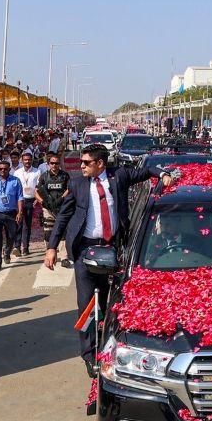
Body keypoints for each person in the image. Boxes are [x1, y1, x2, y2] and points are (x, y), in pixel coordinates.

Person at [43, 144, 176, 374]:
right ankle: (89, 354)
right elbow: (64, 215)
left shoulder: (119, 176)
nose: (81, 166)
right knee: (86, 304)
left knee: (109, 302)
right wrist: (52, 247)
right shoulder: (77, 183)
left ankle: (107, 343)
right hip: (85, 249)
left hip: (113, 249)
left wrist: (163, 175)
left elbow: (147, 170)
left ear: (100, 164)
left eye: (86, 163)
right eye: (81, 162)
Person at [37, 152, 71, 267]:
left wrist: (62, 198)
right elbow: (36, 191)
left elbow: (69, 189)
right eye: (52, 163)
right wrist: (42, 201)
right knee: (48, 232)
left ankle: (64, 257)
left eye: (56, 163)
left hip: (61, 207)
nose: (54, 165)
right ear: (48, 164)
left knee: (63, 232)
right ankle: (50, 253)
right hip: (48, 208)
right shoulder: (44, 176)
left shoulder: (65, 176)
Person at [11, 151, 41, 256]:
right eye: (25, 160)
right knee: (18, 223)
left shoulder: (37, 172)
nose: (27, 161)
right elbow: (14, 188)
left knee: (27, 225)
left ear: (32, 160)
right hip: (19, 200)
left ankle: (26, 247)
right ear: (22, 160)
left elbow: (38, 187)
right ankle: (17, 246)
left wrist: (37, 200)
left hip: (30, 200)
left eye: (29, 159)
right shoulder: (17, 172)